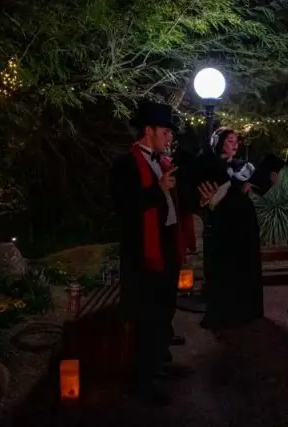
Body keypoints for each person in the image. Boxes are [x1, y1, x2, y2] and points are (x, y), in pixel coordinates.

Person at [109, 101, 214, 404]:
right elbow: (126, 208)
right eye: (166, 132)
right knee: (147, 317)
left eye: (170, 133)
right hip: (142, 255)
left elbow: (177, 203)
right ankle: (143, 383)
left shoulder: (163, 163)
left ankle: (160, 365)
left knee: (165, 311)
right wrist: (159, 188)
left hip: (166, 248)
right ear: (149, 131)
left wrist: (200, 200)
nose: (170, 138)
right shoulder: (125, 165)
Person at [196, 127, 279, 330]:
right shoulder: (209, 165)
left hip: (244, 219)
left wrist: (267, 181)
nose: (235, 144)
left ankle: (246, 310)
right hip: (223, 221)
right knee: (223, 265)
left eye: (236, 141)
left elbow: (259, 190)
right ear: (220, 142)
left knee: (245, 262)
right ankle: (222, 313)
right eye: (230, 140)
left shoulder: (244, 165)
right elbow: (205, 196)